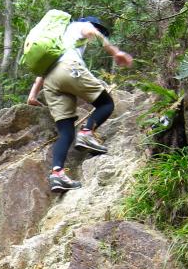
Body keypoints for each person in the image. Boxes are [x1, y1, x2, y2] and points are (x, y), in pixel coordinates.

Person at [27, 15, 133, 192]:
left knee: (66, 132)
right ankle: (86, 132)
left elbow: (43, 73)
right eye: (99, 29)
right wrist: (116, 52)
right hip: (69, 68)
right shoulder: (80, 26)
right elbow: (90, 30)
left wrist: (33, 95)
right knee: (106, 104)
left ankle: (57, 174)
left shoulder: (58, 40)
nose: (96, 33)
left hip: (51, 81)